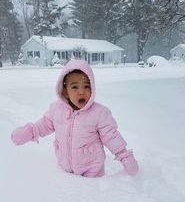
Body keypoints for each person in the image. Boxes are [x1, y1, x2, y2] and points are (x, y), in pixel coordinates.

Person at [11, 59, 139, 177]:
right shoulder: (56, 109)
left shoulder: (99, 113)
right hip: (64, 170)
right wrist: (29, 131)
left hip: (92, 171)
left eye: (86, 86)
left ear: (92, 88)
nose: (81, 91)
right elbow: (45, 124)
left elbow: (111, 136)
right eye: (75, 87)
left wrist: (124, 155)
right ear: (65, 91)